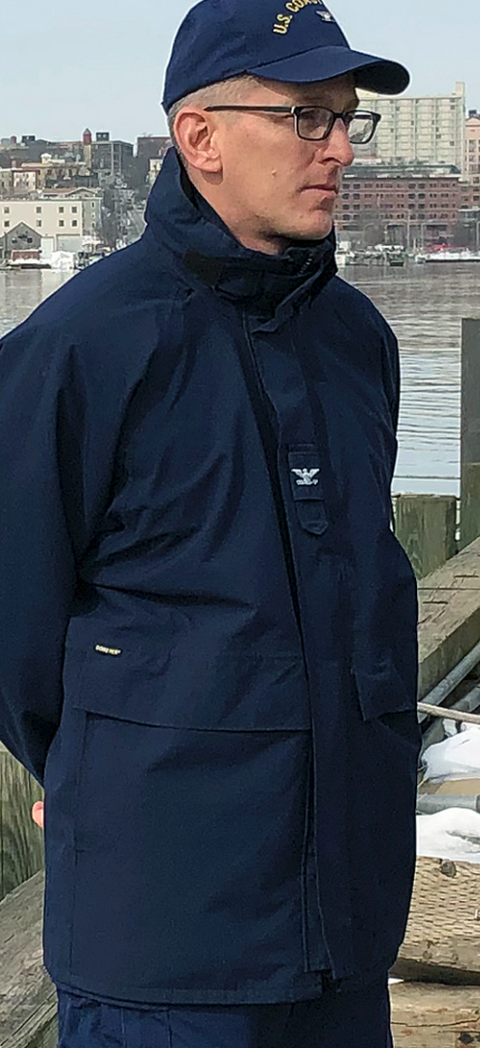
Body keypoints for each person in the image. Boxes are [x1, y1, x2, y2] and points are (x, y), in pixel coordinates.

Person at [0, 1, 418, 1043]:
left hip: (348, 927)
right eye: (303, 119)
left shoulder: (358, 340)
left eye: (344, 121)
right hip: (165, 939)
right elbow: (13, 622)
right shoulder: (81, 346)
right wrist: (106, 767)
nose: (335, 151)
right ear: (201, 138)